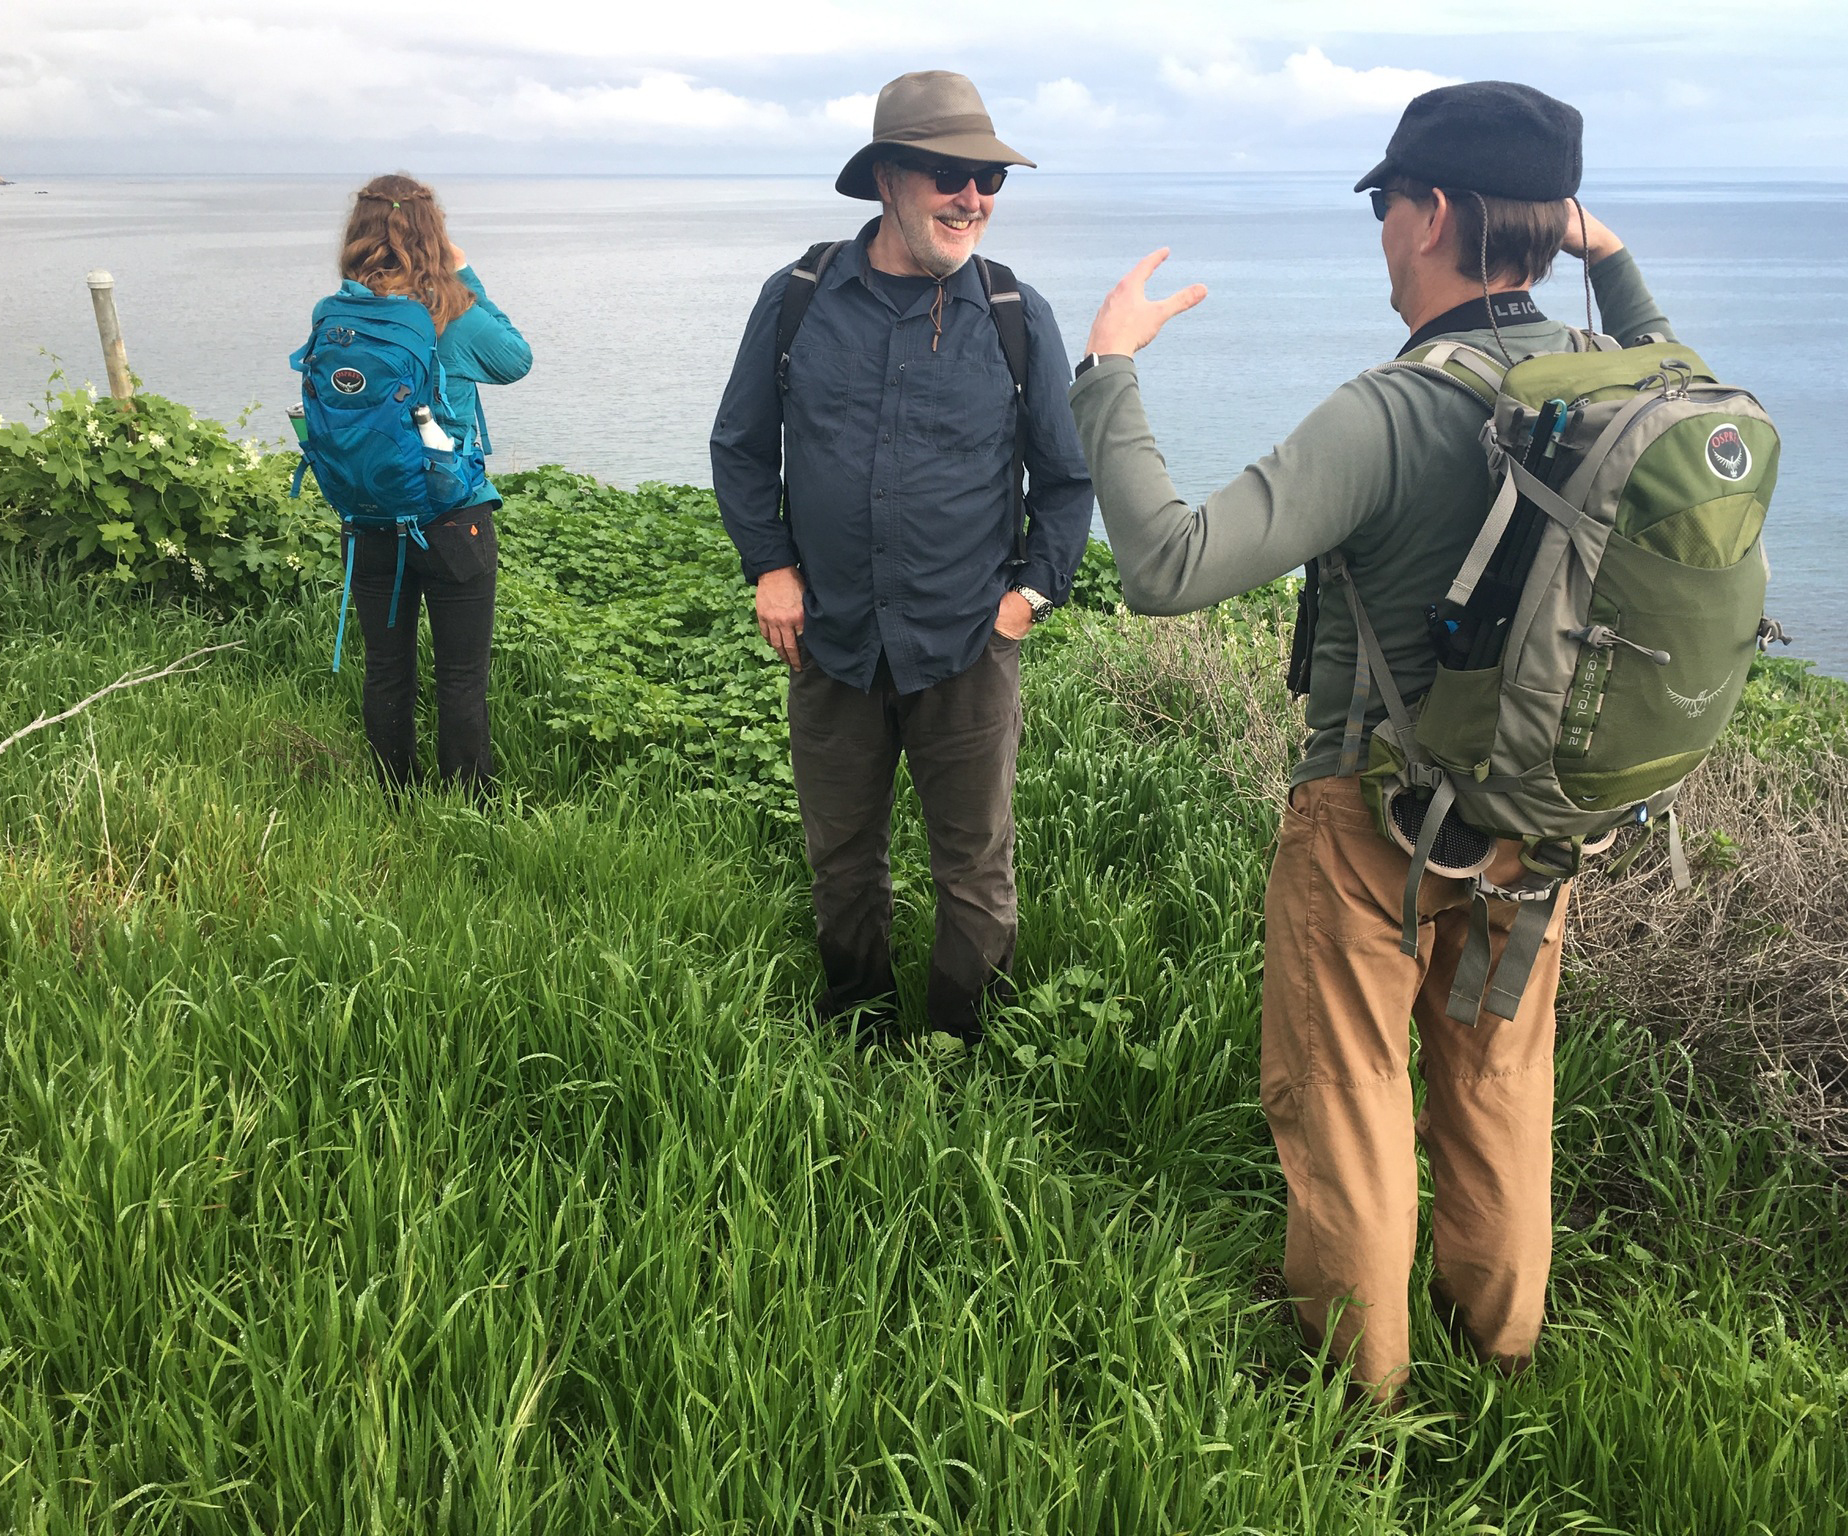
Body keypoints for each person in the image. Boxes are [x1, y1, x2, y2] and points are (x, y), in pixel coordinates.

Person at [1067, 82, 1677, 1399]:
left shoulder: (1390, 413)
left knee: (1350, 1103)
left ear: (1432, 213)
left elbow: (1168, 567)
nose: (1382, 231)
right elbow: (1669, 349)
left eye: (1388, 202)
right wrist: (1608, 257)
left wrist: (1109, 370)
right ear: (1552, 226)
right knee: (1500, 1087)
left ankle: (1361, 1395)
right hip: (1537, 821)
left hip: (1373, 825)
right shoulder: (1628, 395)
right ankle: (1499, 1345)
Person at [710, 71, 1093, 1043]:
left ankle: (960, 1057)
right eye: (948, 173)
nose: (973, 197)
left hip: (968, 644)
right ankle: (855, 1032)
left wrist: (1028, 601)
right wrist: (771, 566)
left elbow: (1064, 481)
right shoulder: (798, 299)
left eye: (989, 179)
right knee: (840, 860)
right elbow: (741, 447)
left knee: (973, 868)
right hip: (832, 641)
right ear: (887, 177)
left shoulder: (1014, 314)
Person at [332, 173, 532, 795]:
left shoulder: (340, 314)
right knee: (462, 675)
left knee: (386, 668)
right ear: (433, 233)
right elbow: (516, 360)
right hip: (451, 517)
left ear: (359, 232)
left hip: (367, 514)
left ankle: (395, 796)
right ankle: (468, 805)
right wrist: (466, 275)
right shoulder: (451, 311)